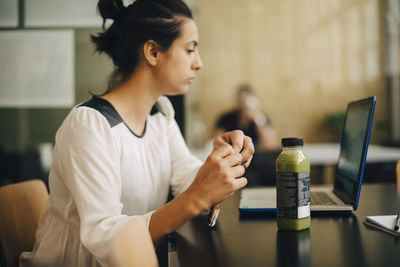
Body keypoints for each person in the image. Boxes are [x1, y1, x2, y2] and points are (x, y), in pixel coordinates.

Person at [19, 0, 254, 266]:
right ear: (153, 52)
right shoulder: (89, 125)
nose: (198, 63)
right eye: (190, 50)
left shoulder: (160, 115)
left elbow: (186, 178)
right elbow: (107, 238)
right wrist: (197, 195)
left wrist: (221, 161)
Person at [215, 84, 279, 150]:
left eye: (245, 99)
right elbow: (216, 141)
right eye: (240, 99)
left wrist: (257, 118)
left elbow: (271, 144)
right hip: (231, 154)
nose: (242, 103)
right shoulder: (226, 118)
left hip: (257, 156)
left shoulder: (260, 118)